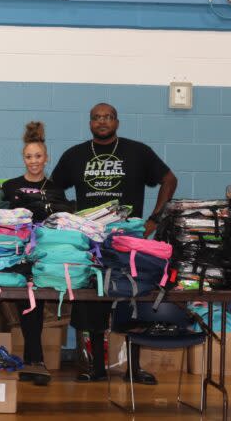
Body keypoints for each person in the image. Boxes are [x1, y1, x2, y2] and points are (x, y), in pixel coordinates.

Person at [51, 102, 178, 385]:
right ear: (90, 123)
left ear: (117, 122)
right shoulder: (75, 155)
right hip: (91, 241)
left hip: (127, 242)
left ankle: (133, 367)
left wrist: (155, 219)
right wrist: (72, 215)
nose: (102, 121)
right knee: (94, 300)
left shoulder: (138, 152)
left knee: (130, 297)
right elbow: (52, 189)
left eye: (107, 117)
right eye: (96, 118)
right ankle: (96, 366)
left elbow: (169, 180)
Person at [1, 121, 68, 386]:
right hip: (17, 254)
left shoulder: (55, 189)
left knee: (37, 302)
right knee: (25, 303)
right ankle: (33, 360)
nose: (33, 161)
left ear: (46, 157)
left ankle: (35, 361)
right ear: (23, 158)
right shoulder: (10, 187)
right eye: (29, 157)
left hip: (45, 255)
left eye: (38, 156)